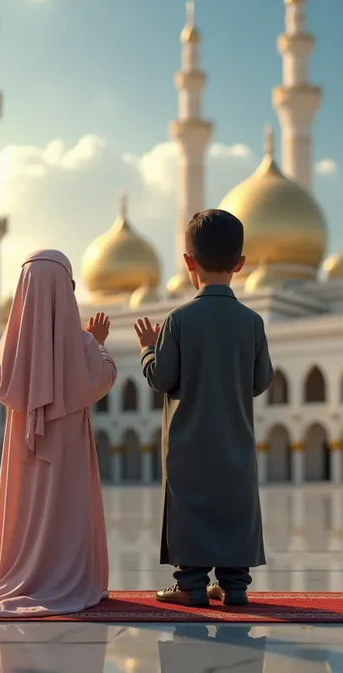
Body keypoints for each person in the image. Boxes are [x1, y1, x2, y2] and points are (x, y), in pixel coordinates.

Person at [0, 249, 117, 617]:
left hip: (22, 448)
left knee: (23, 506)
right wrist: (97, 343)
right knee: (65, 505)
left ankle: (19, 572)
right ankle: (63, 576)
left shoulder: (11, 348)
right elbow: (103, 377)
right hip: (67, 450)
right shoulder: (82, 345)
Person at [134, 209, 273, 608]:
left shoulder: (178, 320)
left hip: (188, 442)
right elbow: (261, 381)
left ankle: (191, 583)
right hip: (235, 437)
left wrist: (148, 349)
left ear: (188, 262)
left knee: (188, 503)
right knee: (235, 501)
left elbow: (162, 378)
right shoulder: (252, 322)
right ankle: (235, 585)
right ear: (240, 264)